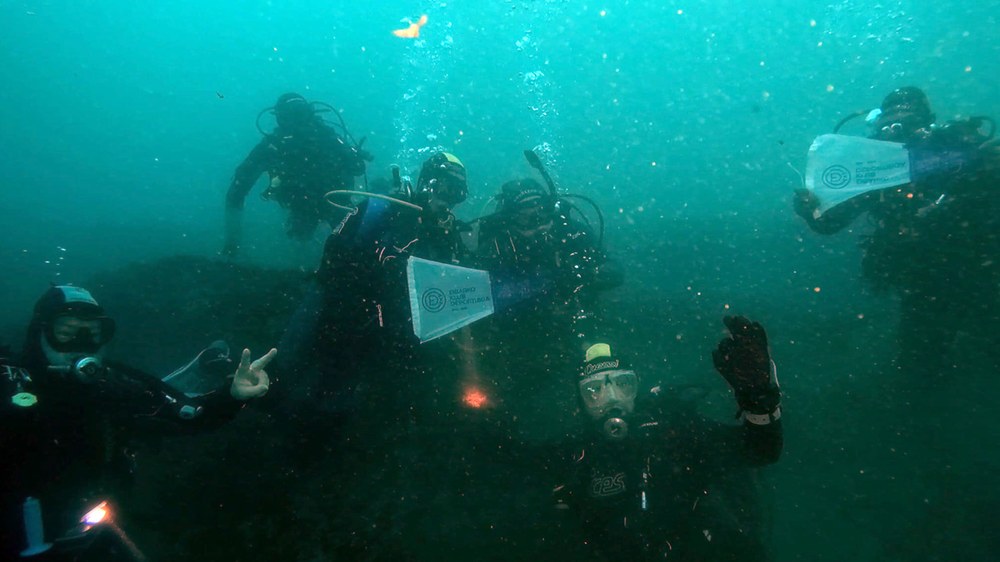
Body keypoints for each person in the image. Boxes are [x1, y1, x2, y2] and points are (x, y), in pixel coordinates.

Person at [1, 285, 275, 559]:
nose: (81, 344)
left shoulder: (110, 387)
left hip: (88, 535)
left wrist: (232, 395)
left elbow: (187, 416)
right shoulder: (7, 384)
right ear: (40, 332)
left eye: (94, 333)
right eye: (66, 332)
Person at [793, 86, 1000, 378]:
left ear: (928, 121)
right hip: (920, 274)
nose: (897, 130)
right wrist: (810, 209)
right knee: (921, 364)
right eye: (890, 123)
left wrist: (988, 165)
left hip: (980, 262)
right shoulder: (874, 166)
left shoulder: (956, 143)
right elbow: (832, 223)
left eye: (909, 121)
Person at [555, 316, 783, 561]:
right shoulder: (573, 455)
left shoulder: (675, 429)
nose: (611, 398)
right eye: (593, 391)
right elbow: (516, 465)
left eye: (623, 383)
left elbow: (760, 451)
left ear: (637, 386)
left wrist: (758, 400)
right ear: (579, 404)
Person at [470, 174, 623, 446]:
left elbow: (615, 272)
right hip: (517, 340)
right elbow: (475, 299)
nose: (538, 224)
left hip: (576, 330)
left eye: (542, 214)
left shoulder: (570, 234)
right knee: (503, 405)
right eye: (526, 218)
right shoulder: (495, 248)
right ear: (509, 219)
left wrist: (585, 274)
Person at [223, 92, 370, 256]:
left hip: (306, 205)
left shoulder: (275, 145)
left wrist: (232, 240)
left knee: (301, 241)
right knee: (350, 242)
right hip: (329, 203)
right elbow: (357, 168)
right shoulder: (327, 137)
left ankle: (316, 259)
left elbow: (238, 187)